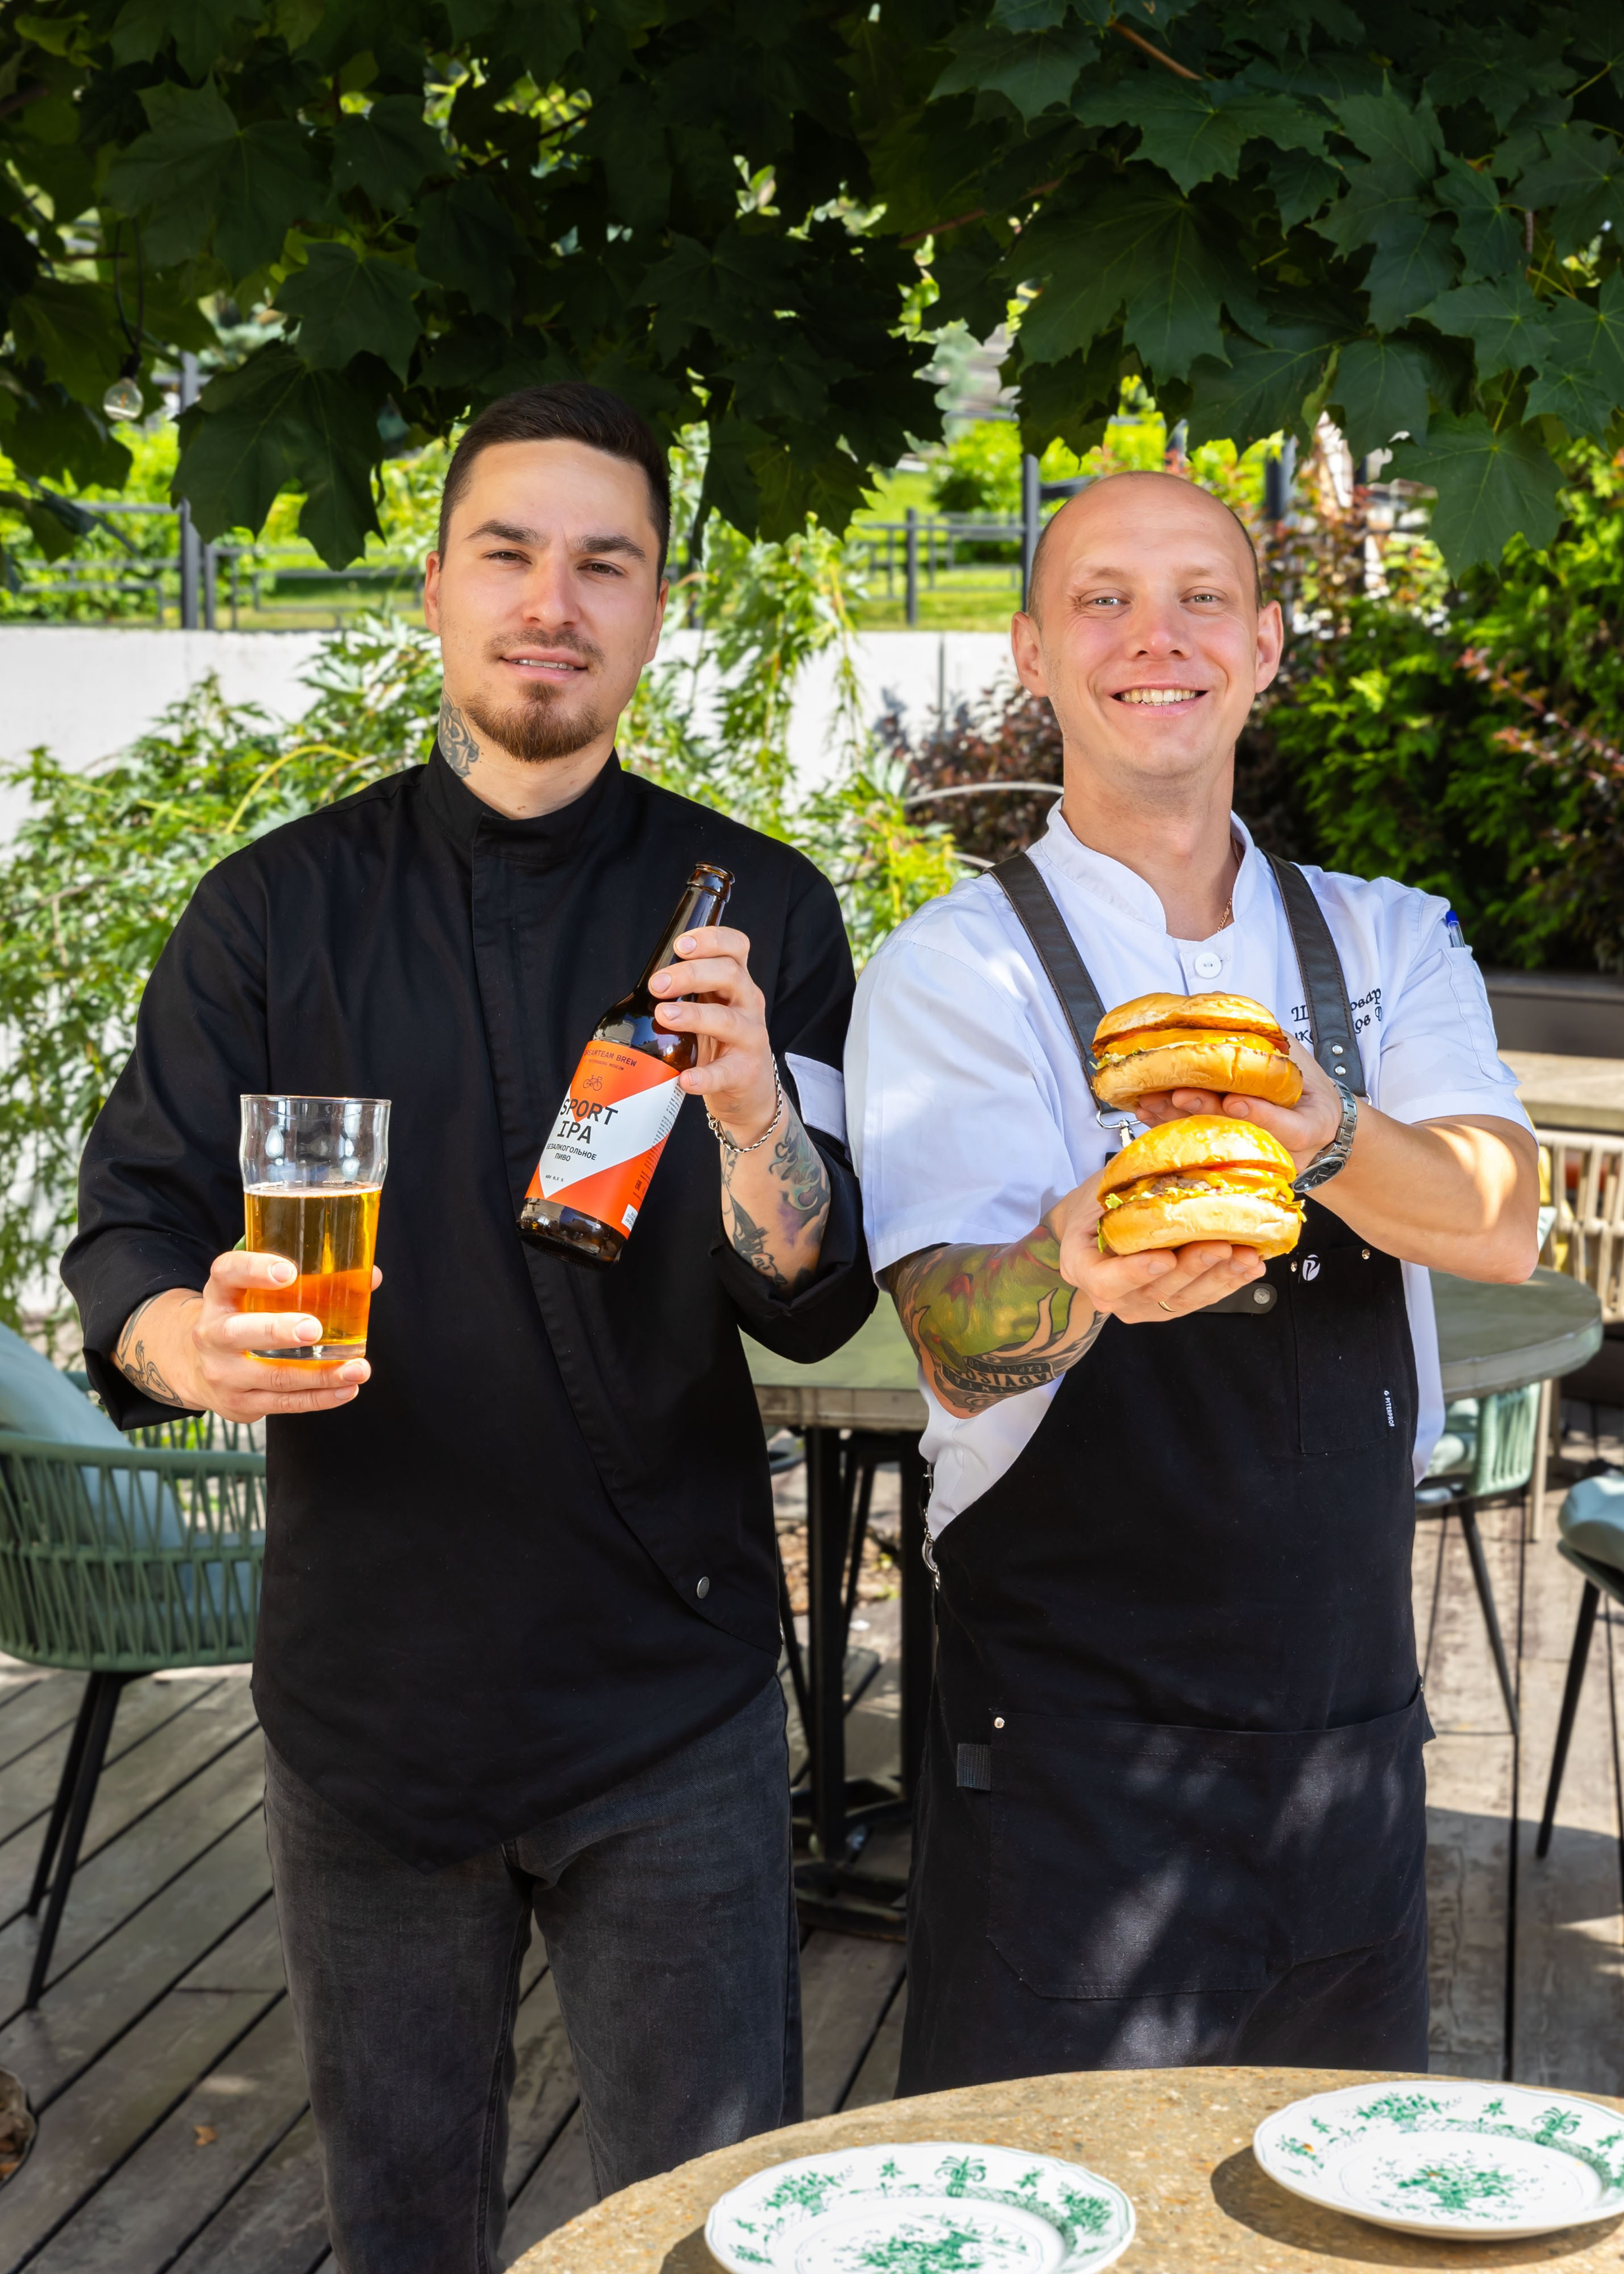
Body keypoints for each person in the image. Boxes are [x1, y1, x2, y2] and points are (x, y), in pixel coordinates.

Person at [63, 383, 875, 2270]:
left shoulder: (754, 909)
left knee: (709, 2237)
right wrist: (196, 1339)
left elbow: (816, 1291)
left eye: (606, 562)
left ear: (656, 610)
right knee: (401, 2229)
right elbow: (130, 1234)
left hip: (665, 1702)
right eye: (509, 551)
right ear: (434, 587)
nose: (552, 599)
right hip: (368, 1705)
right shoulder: (274, 912)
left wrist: (761, 1121)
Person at [846, 468, 1539, 2089]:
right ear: (1028, 650)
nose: (1153, 636)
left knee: (1325, 2224)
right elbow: (953, 1342)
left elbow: (1495, 1221)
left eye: (1199, 597)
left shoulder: (1386, 943)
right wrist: (1070, 1265)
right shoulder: (958, 967)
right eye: (1101, 597)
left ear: (1266, 644)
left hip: (1345, 1752)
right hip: (1067, 1776)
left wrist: (1314, 1122)